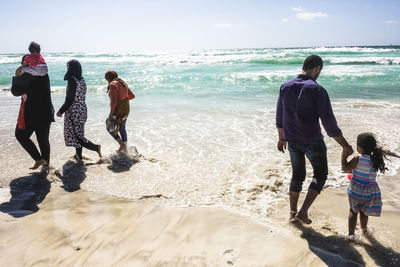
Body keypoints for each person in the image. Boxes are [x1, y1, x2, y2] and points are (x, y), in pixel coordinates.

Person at [276, 55, 353, 224]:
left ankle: (292, 213)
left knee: (297, 175)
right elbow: (329, 125)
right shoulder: (317, 90)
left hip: (292, 141)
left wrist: (281, 138)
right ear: (317, 68)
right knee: (320, 174)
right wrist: (345, 146)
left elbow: (280, 117)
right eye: (320, 71)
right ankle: (303, 213)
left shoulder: (285, 87)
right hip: (312, 141)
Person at [11, 44, 54, 170]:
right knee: (43, 139)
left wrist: (18, 72)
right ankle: (46, 165)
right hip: (46, 110)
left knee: (20, 135)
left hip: (31, 112)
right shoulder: (44, 73)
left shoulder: (26, 75)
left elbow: (15, 91)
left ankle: (38, 159)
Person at [342, 133, 389, 238]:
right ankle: (364, 230)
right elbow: (365, 170)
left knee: (353, 211)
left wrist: (344, 156)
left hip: (356, 190)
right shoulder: (375, 160)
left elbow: (345, 168)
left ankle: (351, 235)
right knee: (364, 212)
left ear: (360, 147)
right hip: (370, 192)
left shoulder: (357, 158)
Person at [57, 60, 101, 160]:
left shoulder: (72, 80)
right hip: (82, 110)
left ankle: (96, 148)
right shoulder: (82, 80)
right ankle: (78, 156)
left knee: (77, 136)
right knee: (78, 133)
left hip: (74, 110)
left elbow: (70, 99)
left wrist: (61, 111)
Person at [105, 70, 135, 153]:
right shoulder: (123, 83)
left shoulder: (112, 84)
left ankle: (122, 145)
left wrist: (111, 113)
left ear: (107, 78)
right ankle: (124, 148)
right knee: (122, 128)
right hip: (126, 109)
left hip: (119, 110)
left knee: (109, 127)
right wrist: (123, 100)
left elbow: (114, 101)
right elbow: (132, 96)